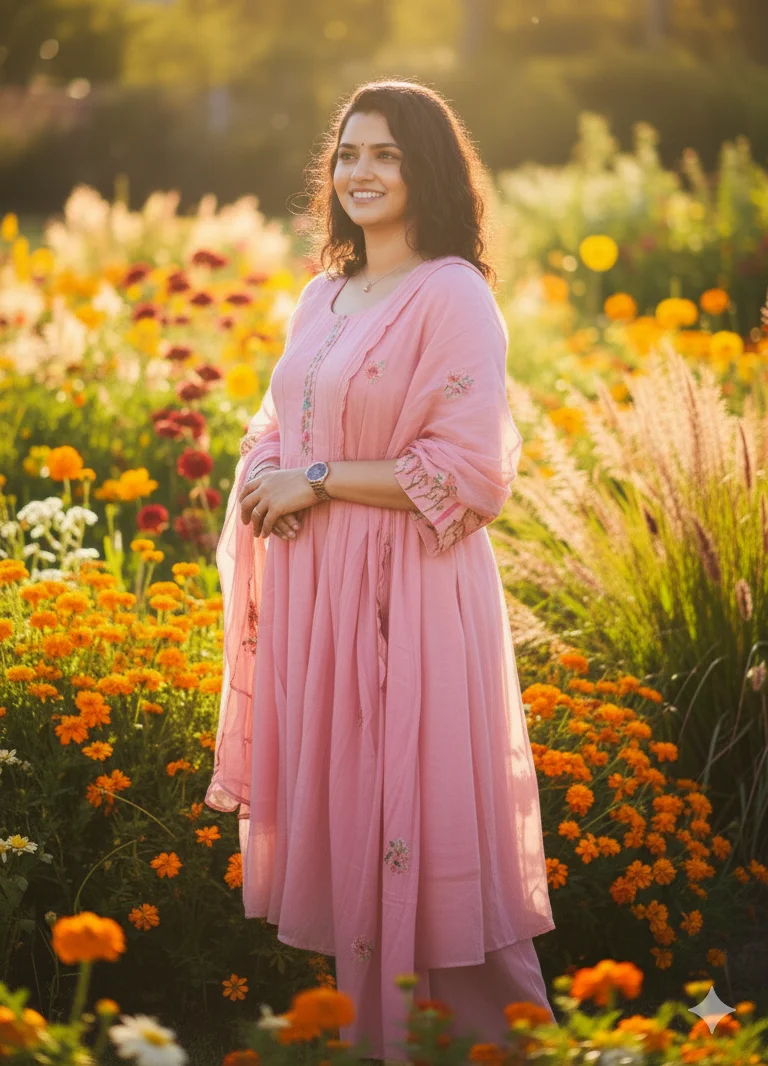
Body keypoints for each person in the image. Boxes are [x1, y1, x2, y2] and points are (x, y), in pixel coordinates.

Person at [205, 78, 556, 1062]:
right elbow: (284, 417)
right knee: (355, 824)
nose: (362, 172)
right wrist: (271, 466)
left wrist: (312, 478)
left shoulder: (453, 295)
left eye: (388, 155)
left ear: (427, 170)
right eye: (350, 153)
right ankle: (377, 1041)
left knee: (416, 823)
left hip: (408, 593)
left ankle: (491, 1043)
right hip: (319, 596)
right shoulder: (324, 293)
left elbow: (468, 472)